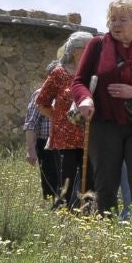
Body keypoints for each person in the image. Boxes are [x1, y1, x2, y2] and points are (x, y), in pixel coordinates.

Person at [71, 0, 132, 217]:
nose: (115, 24)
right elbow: (79, 81)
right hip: (105, 124)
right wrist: (85, 99)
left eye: (122, 19)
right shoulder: (97, 45)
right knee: (106, 183)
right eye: (112, 19)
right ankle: (108, 231)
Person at [35, 31, 92, 210]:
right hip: (64, 139)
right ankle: (64, 217)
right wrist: (59, 118)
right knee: (65, 182)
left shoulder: (93, 73)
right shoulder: (59, 74)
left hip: (89, 137)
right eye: (89, 48)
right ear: (76, 51)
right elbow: (41, 102)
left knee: (89, 182)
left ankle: (87, 216)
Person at [24, 87, 60, 203]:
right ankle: (52, 210)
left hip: (66, 143)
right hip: (46, 144)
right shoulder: (41, 94)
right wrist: (31, 149)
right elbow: (31, 123)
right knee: (50, 181)